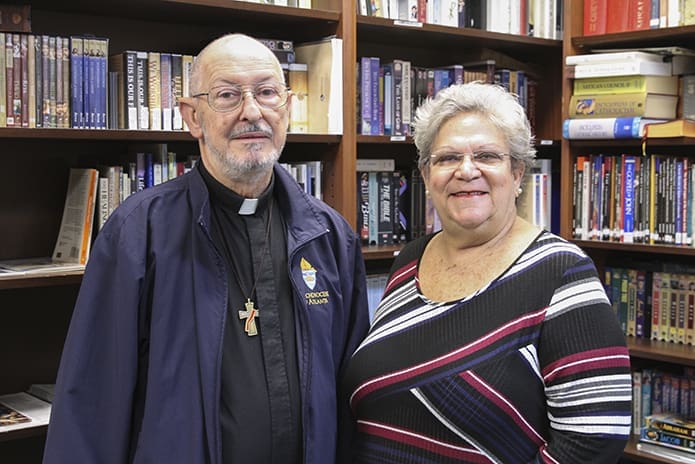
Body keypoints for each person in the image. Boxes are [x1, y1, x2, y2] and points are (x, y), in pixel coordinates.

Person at [43, 33, 370, 464]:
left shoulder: (331, 237)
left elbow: (354, 401)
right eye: (227, 95)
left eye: (267, 93)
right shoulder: (138, 234)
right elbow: (90, 407)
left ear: (288, 109)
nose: (251, 112)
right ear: (192, 117)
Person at [342, 82, 632, 463]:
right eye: (447, 159)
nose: (466, 171)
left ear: (516, 174)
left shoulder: (562, 273)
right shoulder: (410, 260)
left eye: (486, 156)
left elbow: (594, 442)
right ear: (427, 177)